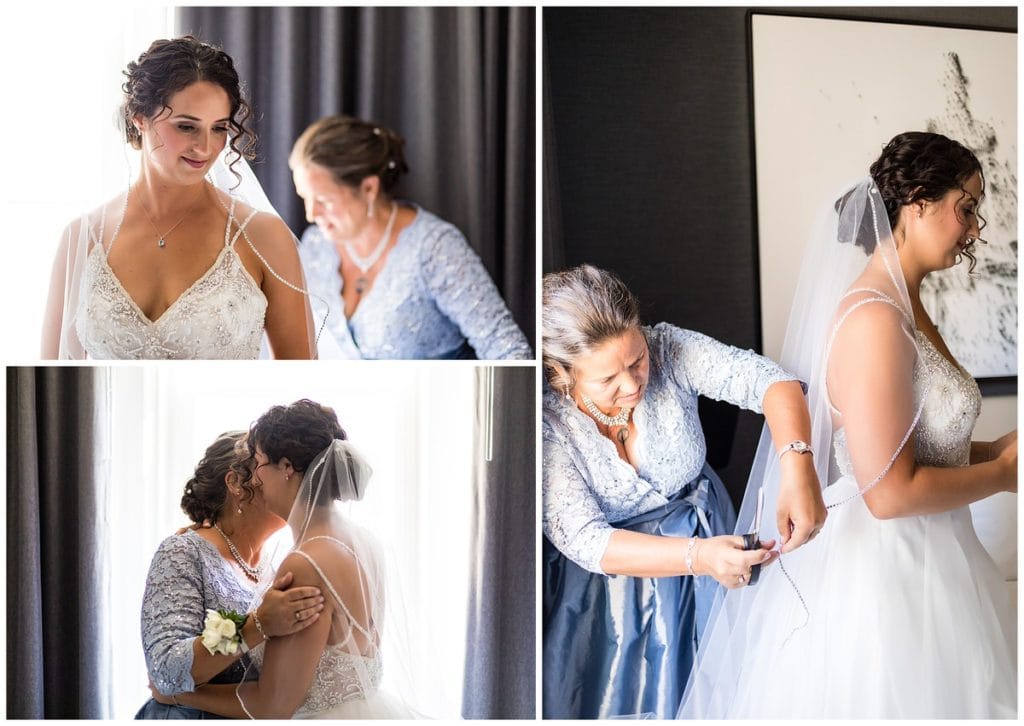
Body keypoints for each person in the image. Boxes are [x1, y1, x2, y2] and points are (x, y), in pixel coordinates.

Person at [680, 132, 1017, 718]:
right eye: (966, 207)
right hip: (891, 577)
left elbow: (916, 450)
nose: (975, 228)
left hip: (941, 556)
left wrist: (996, 450)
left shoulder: (906, 308)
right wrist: (1006, 472)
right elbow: (888, 492)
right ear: (917, 201)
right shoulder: (874, 321)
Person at [541, 264, 827, 719]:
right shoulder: (545, 423)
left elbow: (773, 383)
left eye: (636, 361)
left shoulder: (669, 348)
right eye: (607, 380)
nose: (633, 384)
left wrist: (797, 465)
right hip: (609, 596)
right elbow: (588, 540)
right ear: (562, 373)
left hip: (711, 542)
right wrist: (699, 558)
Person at [42, 36, 316, 359]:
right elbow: (52, 371)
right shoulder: (82, 238)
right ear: (140, 119)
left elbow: (301, 371)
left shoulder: (264, 237)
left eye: (219, 128)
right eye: (186, 127)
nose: (205, 148)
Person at [150, 401, 417, 718]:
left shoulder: (304, 561)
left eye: (259, 463)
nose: (257, 481)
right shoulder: (363, 542)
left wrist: (181, 696)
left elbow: (273, 705)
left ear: (287, 467)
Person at [289, 115, 532, 359]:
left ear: (369, 188)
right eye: (304, 198)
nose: (311, 214)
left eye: (324, 201)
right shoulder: (315, 244)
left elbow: (509, 349)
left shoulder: (435, 248)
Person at [136, 431, 325, 719]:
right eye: (267, 466)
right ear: (236, 483)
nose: (289, 477)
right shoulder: (183, 552)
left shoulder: (278, 565)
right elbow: (167, 667)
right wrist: (255, 625)